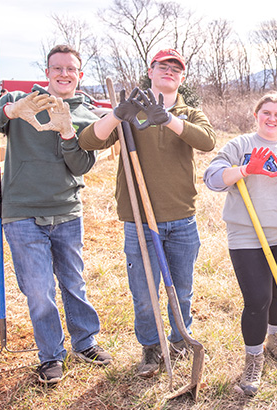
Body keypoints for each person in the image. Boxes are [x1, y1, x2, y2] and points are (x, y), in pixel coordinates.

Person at [0, 44, 112, 385]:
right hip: (22, 212)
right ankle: (50, 357)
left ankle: (85, 343)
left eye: (70, 69)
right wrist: (11, 111)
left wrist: (67, 132)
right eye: (56, 68)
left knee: (74, 283)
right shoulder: (21, 98)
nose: (63, 74)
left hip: (66, 210)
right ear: (46, 73)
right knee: (39, 289)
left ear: (79, 75)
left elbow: (82, 164)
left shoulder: (87, 114)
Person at [78, 48, 216, 378]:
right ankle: (152, 348)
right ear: (150, 71)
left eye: (176, 68)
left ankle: (180, 341)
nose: (169, 71)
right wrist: (116, 114)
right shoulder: (130, 112)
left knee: (181, 291)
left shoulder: (190, 113)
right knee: (144, 294)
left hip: (182, 217)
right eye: (162, 66)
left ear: (181, 78)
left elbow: (208, 141)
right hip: (138, 219)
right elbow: (87, 141)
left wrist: (169, 120)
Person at [203, 92, 277, 396]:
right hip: (247, 234)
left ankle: (276, 340)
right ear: (256, 116)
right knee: (257, 299)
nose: (271, 118)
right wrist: (245, 170)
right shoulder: (240, 146)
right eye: (266, 112)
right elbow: (211, 178)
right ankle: (254, 358)